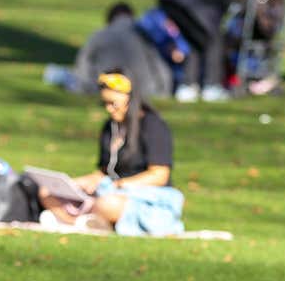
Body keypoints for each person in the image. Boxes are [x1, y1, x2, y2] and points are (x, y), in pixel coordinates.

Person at [37, 70, 184, 236]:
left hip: (142, 195)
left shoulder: (153, 126)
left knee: (107, 204)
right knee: (46, 192)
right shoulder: (110, 127)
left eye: (113, 103)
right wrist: (78, 183)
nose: (109, 109)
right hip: (107, 191)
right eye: (104, 103)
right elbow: (104, 172)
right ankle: (78, 223)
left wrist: (120, 185)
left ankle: (79, 220)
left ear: (131, 99)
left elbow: (159, 175)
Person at [158, 0, 263, 103]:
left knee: (195, 41)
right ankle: (211, 87)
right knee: (214, 40)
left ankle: (187, 87)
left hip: (173, 0)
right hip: (192, 7)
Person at [44, 2, 174, 100]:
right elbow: (161, 69)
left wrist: (84, 88)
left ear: (109, 19)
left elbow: (82, 68)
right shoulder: (144, 35)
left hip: (106, 88)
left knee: (56, 73)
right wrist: (164, 91)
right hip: (144, 90)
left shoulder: (99, 35)